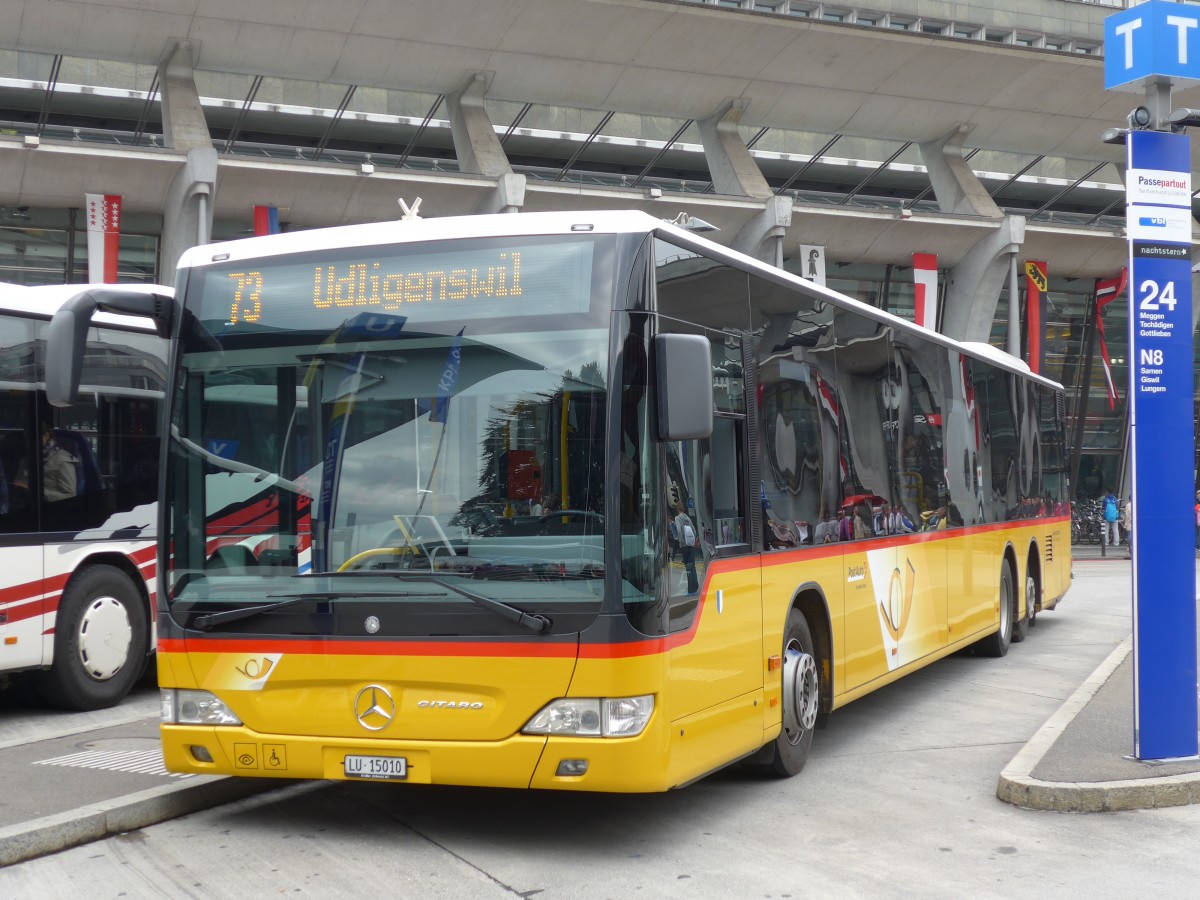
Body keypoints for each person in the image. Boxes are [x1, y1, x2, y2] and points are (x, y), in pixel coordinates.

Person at [13, 421, 78, 503]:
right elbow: (19, 486)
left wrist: (35, 491)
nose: (29, 441)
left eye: (34, 437)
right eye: (27, 438)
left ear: (46, 435)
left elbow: (70, 495)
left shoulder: (62, 459)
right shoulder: (26, 458)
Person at [672, 494, 699, 595]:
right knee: (693, 566)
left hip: (684, 546)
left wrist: (681, 542)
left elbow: (679, 530)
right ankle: (695, 587)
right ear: (683, 508)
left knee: (688, 567)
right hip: (691, 545)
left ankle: (690, 589)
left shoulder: (678, 518)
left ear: (677, 509)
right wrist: (692, 541)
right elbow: (694, 530)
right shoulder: (687, 518)